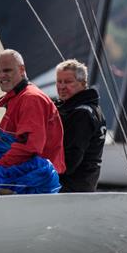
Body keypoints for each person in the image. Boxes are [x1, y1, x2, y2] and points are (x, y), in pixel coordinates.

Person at [0, 49, 65, 174]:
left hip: (34, 179)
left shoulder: (31, 99)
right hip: (25, 174)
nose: (1, 75)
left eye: (7, 70)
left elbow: (30, 146)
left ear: (21, 70)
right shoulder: (19, 98)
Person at [54, 59, 106, 192]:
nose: (62, 86)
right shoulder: (88, 108)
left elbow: (70, 162)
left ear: (83, 83)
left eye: (68, 82)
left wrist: (39, 168)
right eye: (59, 81)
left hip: (71, 188)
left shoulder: (82, 113)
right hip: (82, 187)